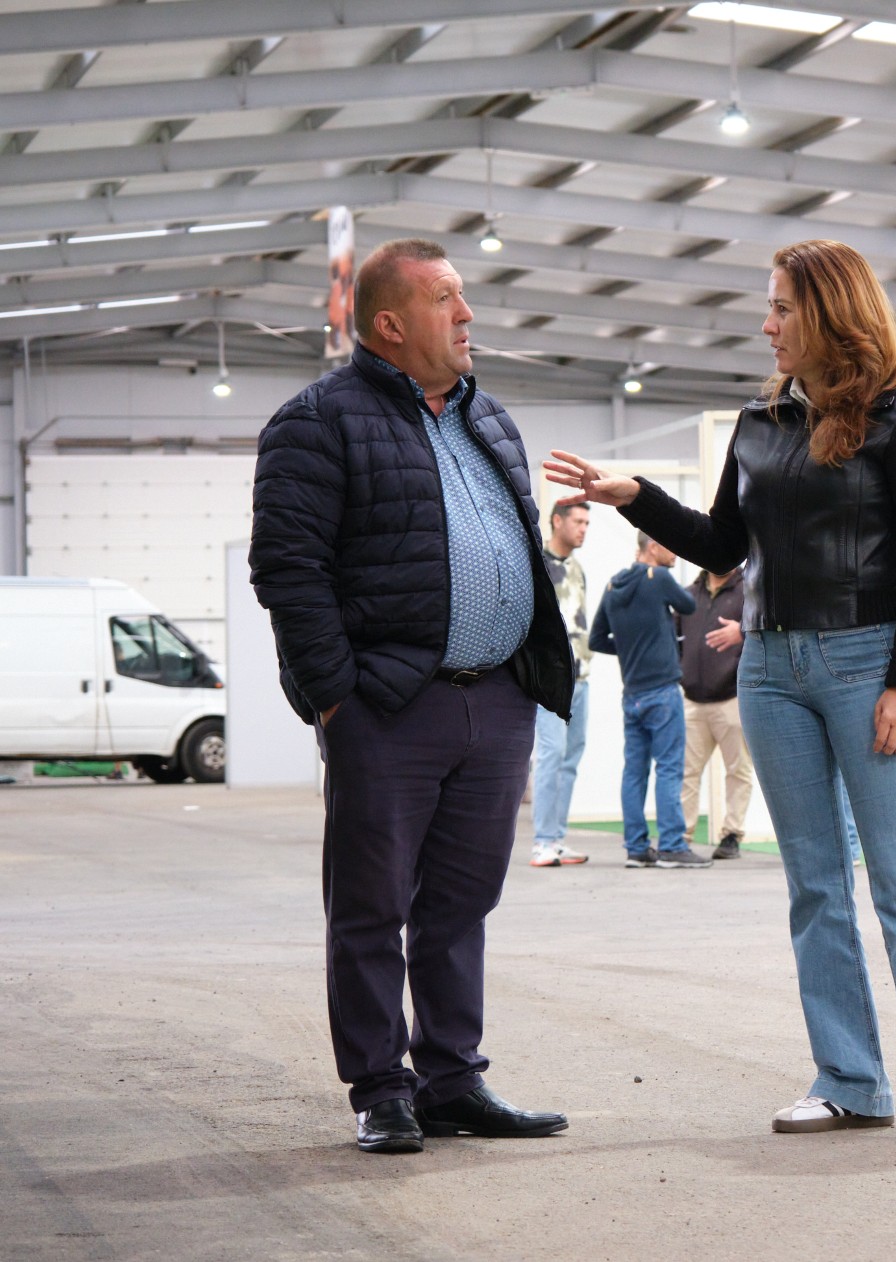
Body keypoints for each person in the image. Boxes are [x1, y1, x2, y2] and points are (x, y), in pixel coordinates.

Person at [546, 238, 896, 1143]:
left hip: (870, 666)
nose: (767, 323)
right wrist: (635, 496)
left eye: (782, 306)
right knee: (814, 885)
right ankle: (848, 1080)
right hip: (772, 670)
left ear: (830, 311)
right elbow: (719, 544)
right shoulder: (760, 423)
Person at [250, 237, 571, 1155]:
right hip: (388, 706)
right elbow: (288, 570)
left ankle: (451, 1078)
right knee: (370, 905)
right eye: (447, 300)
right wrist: (334, 697)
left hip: (496, 700)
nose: (468, 316)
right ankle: (380, 1086)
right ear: (390, 324)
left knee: (461, 901)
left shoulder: (491, 420)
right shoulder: (317, 422)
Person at [589, 534, 709, 869]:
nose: (675, 552)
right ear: (653, 547)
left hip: (632, 695)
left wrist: (629, 650)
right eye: (669, 545)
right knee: (670, 768)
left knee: (634, 772)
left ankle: (637, 848)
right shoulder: (660, 579)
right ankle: (671, 845)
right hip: (663, 692)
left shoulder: (613, 586)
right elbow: (689, 606)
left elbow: (598, 639)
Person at [677, 566, 754, 861]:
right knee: (687, 772)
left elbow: (764, 632)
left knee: (738, 770)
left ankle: (731, 835)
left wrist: (742, 632)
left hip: (731, 698)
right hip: (693, 700)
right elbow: (675, 637)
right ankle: (681, 835)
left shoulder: (749, 590)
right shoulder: (688, 595)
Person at [531, 503, 593, 867]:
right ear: (557, 521)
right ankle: (541, 841)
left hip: (581, 677)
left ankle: (556, 838)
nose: (584, 528)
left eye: (587, 522)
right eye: (578, 521)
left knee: (570, 758)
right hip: (551, 679)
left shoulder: (577, 568)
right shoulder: (538, 564)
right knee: (551, 754)